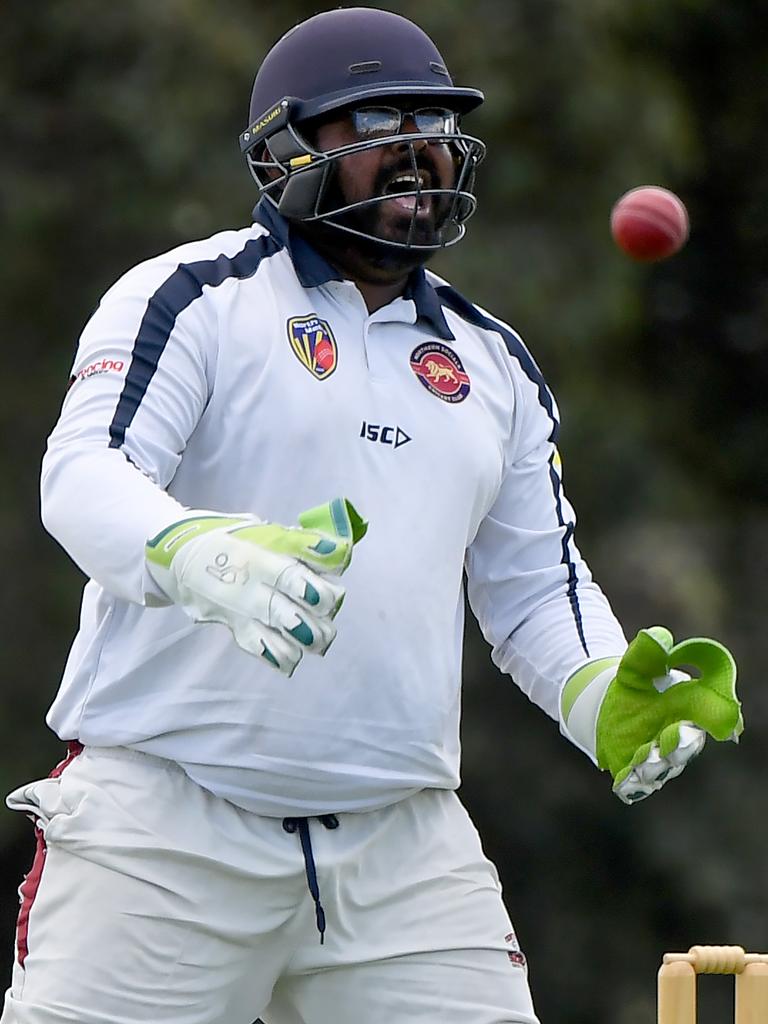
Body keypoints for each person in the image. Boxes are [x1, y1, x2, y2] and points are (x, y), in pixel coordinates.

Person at [2, 8, 743, 1024]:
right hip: (163, 824)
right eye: (377, 122)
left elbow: (532, 589)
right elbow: (82, 474)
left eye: (433, 123)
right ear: (288, 152)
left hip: (401, 848)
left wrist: (602, 693)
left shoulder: (493, 362)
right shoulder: (192, 295)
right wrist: (191, 551)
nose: (418, 150)